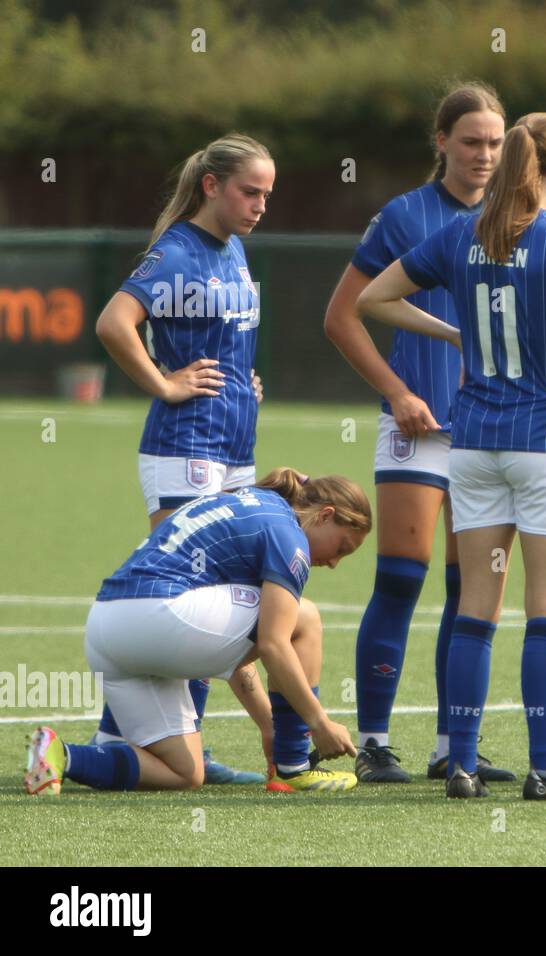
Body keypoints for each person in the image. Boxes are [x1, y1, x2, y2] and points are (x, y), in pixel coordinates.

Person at [357, 112, 546, 800]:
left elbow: (373, 298)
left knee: (476, 604)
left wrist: (455, 334)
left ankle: (465, 766)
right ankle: (545, 770)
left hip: (473, 441)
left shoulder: (461, 232)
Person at [324, 82, 516, 785]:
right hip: (418, 428)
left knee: (470, 592)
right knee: (402, 578)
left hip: (490, 428)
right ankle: (373, 743)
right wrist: (398, 391)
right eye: (471, 142)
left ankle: (451, 745)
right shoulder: (405, 215)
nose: (484, 156)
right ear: (441, 143)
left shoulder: (516, 218)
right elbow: (342, 316)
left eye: (496, 144)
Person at [92, 132, 276, 785]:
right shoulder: (176, 251)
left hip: (234, 445)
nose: (259, 205)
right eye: (249, 191)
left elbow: (228, 341)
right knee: (186, 595)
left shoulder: (235, 250)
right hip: (185, 445)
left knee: (216, 596)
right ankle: (148, 746)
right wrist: (165, 383)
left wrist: (243, 378)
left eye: (266, 194)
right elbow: (114, 323)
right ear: (211, 186)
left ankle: (142, 744)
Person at [24, 469, 370, 796]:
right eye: (341, 547)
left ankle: (60, 754)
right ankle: (294, 767)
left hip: (107, 629)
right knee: (305, 617)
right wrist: (318, 723)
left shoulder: (253, 502)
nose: (334, 562)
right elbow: (272, 645)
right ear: (324, 515)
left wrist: (270, 725)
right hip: (160, 615)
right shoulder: (289, 536)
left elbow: (235, 646)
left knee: (184, 774)